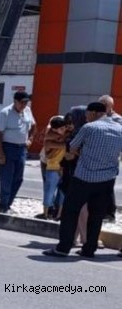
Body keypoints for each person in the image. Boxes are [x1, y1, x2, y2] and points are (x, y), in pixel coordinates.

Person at [43, 102, 122, 258]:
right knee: (96, 215)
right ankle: (89, 249)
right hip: (107, 180)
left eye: (87, 114)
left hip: (84, 177)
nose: (86, 117)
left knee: (70, 212)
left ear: (93, 113)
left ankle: (63, 248)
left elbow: (72, 147)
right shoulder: (119, 129)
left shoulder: (89, 128)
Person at [0, 90, 36, 213]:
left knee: (18, 178)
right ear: (15, 101)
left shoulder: (27, 111)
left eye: (26, 102)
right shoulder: (5, 113)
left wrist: (30, 139)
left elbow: (34, 125)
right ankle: (3, 206)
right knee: (7, 178)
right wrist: (1, 154)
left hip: (21, 148)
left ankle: (8, 204)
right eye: (21, 102)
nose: (24, 105)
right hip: (8, 148)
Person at [39, 116, 69, 220]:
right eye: (60, 129)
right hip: (53, 168)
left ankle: (58, 214)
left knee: (61, 193)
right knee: (49, 192)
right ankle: (46, 213)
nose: (63, 130)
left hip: (62, 168)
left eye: (64, 128)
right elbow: (62, 145)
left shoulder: (62, 136)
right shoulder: (50, 140)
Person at [97, 95, 119, 223]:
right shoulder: (99, 118)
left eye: (103, 105)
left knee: (108, 186)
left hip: (110, 158)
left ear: (109, 105)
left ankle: (110, 213)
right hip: (99, 156)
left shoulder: (117, 120)